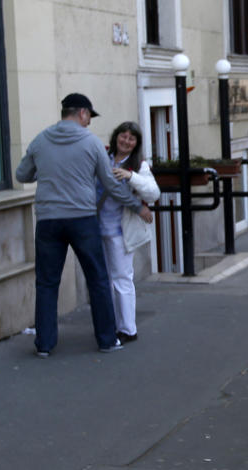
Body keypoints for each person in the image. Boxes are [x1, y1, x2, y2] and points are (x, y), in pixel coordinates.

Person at [15, 93, 151, 356]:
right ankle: (107, 340)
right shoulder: (91, 143)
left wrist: (45, 169)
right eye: (89, 117)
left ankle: (44, 344)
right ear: (82, 114)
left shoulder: (41, 140)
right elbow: (110, 185)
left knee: (46, 282)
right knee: (98, 279)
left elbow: (22, 174)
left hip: (48, 220)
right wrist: (137, 206)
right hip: (82, 219)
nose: (89, 123)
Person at [98, 121, 159, 343]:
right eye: (123, 136)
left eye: (131, 139)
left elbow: (153, 194)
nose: (126, 141)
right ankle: (110, 325)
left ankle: (128, 329)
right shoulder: (102, 156)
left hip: (120, 230)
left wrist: (131, 176)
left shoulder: (139, 166)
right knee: (103, 279)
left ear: (136, 144)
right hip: (96, 227)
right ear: (116, 137)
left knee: (122, 278)